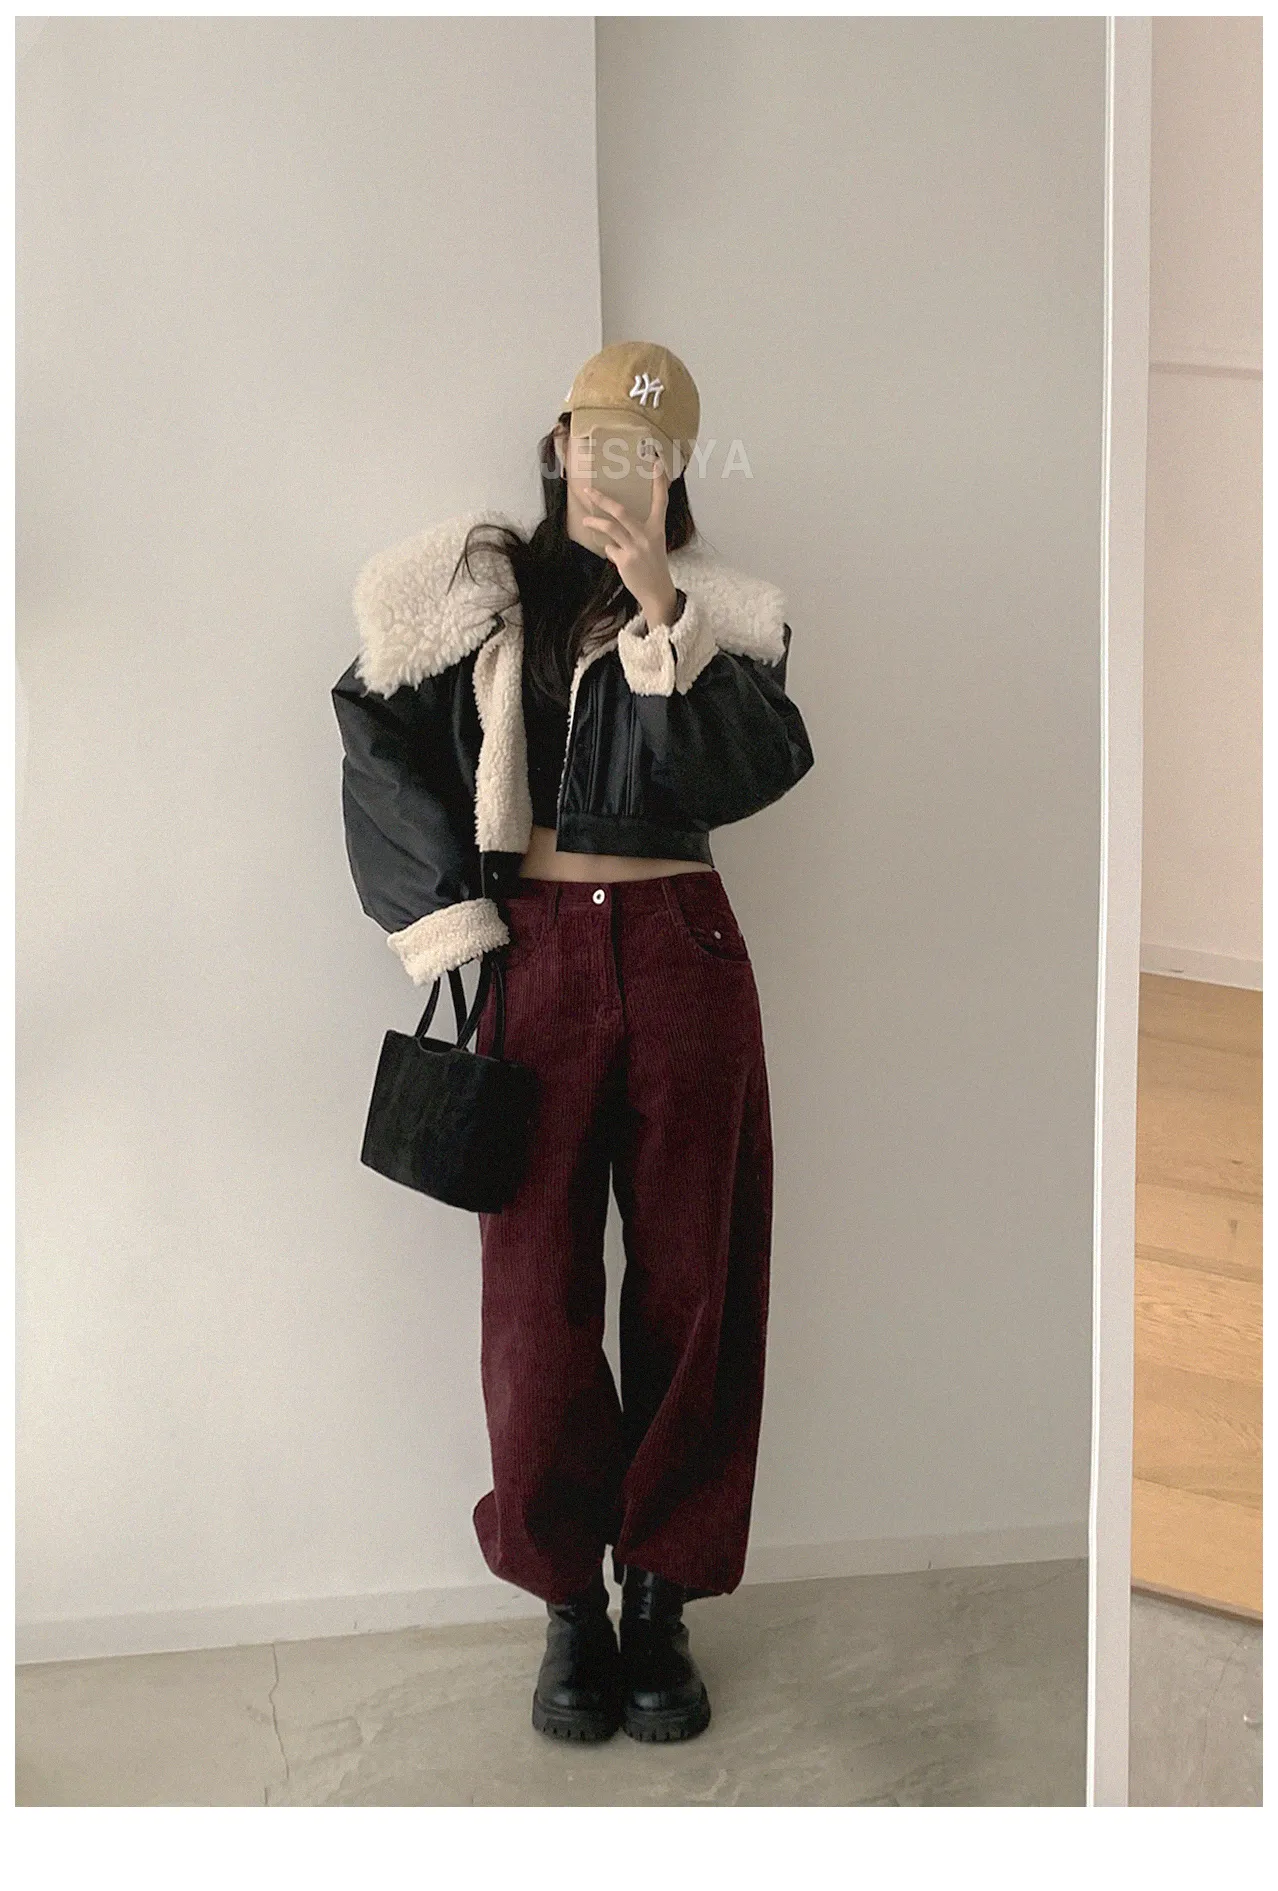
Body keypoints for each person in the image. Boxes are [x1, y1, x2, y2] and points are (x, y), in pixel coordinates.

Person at [332, 341, 815, 1744]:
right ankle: (568, 1605)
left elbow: (751, 769)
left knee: (694, 1285)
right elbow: (374, 733)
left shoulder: (725, 614)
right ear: (557, 441)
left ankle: (659, 1594)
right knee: (532, 1296)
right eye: (598, 439)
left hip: (682, 956)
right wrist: (445, 922)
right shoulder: (480, 589)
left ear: (680, 467)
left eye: (647, 451)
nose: (615, 467)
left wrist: (665, 604)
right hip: (532, 958)